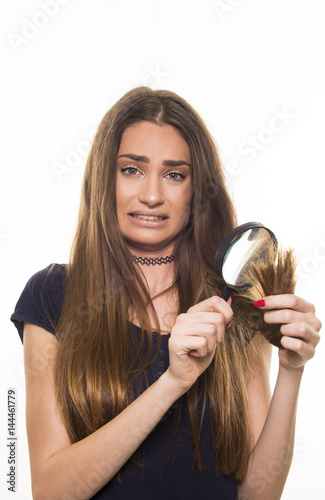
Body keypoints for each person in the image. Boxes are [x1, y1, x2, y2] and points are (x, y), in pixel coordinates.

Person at [11, 87, 321, 500]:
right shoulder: (53, 296)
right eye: (132, 170)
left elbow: (256, 496)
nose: (152, 195)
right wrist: (172, 382)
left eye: (175, 175)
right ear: (105, 177)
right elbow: (50, 492)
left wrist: (292, 370)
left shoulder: (234, 304)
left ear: (196, 190)